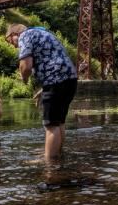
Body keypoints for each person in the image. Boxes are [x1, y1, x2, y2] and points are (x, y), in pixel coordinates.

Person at [5, 24, 78, 161]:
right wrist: (44, 90)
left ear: (13, 34)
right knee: (59, 121)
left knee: (51, 125)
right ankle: (57, 154)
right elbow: (53, 60)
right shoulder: (42, 34)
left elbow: (26, 66)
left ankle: (49, 162)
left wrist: (24, 78)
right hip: (70, 79)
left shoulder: (25, 35)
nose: (14, 46)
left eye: (10, 42)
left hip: (56, 80)